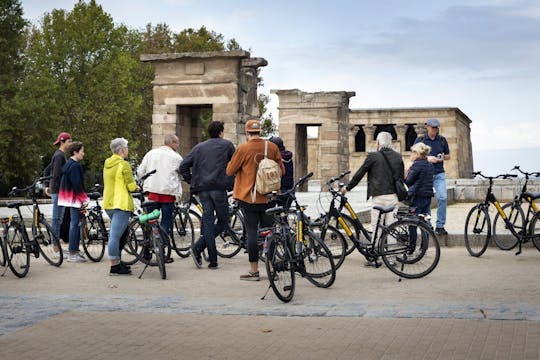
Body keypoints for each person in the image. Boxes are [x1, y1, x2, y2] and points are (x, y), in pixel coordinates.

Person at [226, 118, 284, 280]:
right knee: (270, 232)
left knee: (252, 232)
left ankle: (254, 270)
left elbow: (230, 171)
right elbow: (282, 171)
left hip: (249, 198)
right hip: (269, 197)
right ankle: (272, 269)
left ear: (247, 132)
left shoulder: (243, 148)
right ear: (260, 131)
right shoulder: (271, 147)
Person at [341, 131, 404, 267]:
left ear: (378, 143)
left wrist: (348, 187)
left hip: (378, 197)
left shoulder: (373, 156)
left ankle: (375, 257)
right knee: (392, 228)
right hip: (393, 197)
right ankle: (392, 260)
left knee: (377, 228)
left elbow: (360, 173)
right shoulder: (398, 157)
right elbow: (400, 177)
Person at [180, 121, 236, 270]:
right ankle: (199, 249)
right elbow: (237, 164)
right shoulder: (227, 145)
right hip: (219, 188)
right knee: (223, 221)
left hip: (203, 190)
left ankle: (211, 259)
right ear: (221, 132)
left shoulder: (199, 147)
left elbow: (183, 166)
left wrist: (192, 180)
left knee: (209, 223)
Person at [137, 134, 183, 263]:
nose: (178, 146)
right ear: (172, 142)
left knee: (150, 221)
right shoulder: (176, 157)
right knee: (166, 222)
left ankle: (146, 253)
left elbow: (141, 171)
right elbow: (181, 173)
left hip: (152, 192)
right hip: (168, 194)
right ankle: (162, 251)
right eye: (177, 143)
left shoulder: (150, 153)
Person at [103, 138, 139, 276]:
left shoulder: (107, 163)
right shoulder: (124, 165)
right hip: (121, 203)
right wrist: (137, 188)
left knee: (119, 234)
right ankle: (114, 266)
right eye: (127, 148)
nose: (128, 150)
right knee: (115, 235)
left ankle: (117, 262)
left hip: (109, 203)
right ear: (123, 150)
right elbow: (130, 186)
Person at [414, 118, 450, 236]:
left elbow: (449, 155)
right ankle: (428, 225)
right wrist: (427, 158)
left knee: (443, 197)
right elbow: (413, 156)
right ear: (427, 127)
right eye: (433, 127)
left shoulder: (442, 140)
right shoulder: (420, 140)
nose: (435, 130)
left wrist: (442, 157)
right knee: (426, 201)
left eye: (436, 128)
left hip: (439, 173)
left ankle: (440, 226)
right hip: (425, 175)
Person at [57, 141, 89, 262]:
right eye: (82, 151)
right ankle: (73, 252)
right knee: (76, 224)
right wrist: (84, 199)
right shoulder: (76, 166)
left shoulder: (69, 164)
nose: (83, 154)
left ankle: (73, 250)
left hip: (69, 198)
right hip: (76, 199)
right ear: (75, 152)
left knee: (74, 223)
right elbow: (77, 185)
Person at [45, 132, 72, 257]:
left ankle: (58, 248)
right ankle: (56, 250)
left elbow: (47, 170)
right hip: (59, 192)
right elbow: (55, 175)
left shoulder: (60, 155)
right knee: (56, 220)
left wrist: (46, 185)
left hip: (58, 191)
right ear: (63, 142)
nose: (70, 144)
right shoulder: (59, 156)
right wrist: (56, 188)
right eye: (69, 141)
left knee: (59, 219)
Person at [404, 142, 434, 216]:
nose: (410, 154)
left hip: (417, 196)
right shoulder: (429, 165)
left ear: (417, 154)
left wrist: (406, 173)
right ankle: (428, 228)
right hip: (427, 196)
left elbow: (408, 181)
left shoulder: (416, 165)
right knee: (424, 219)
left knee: (412, 221)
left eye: (412, 152)